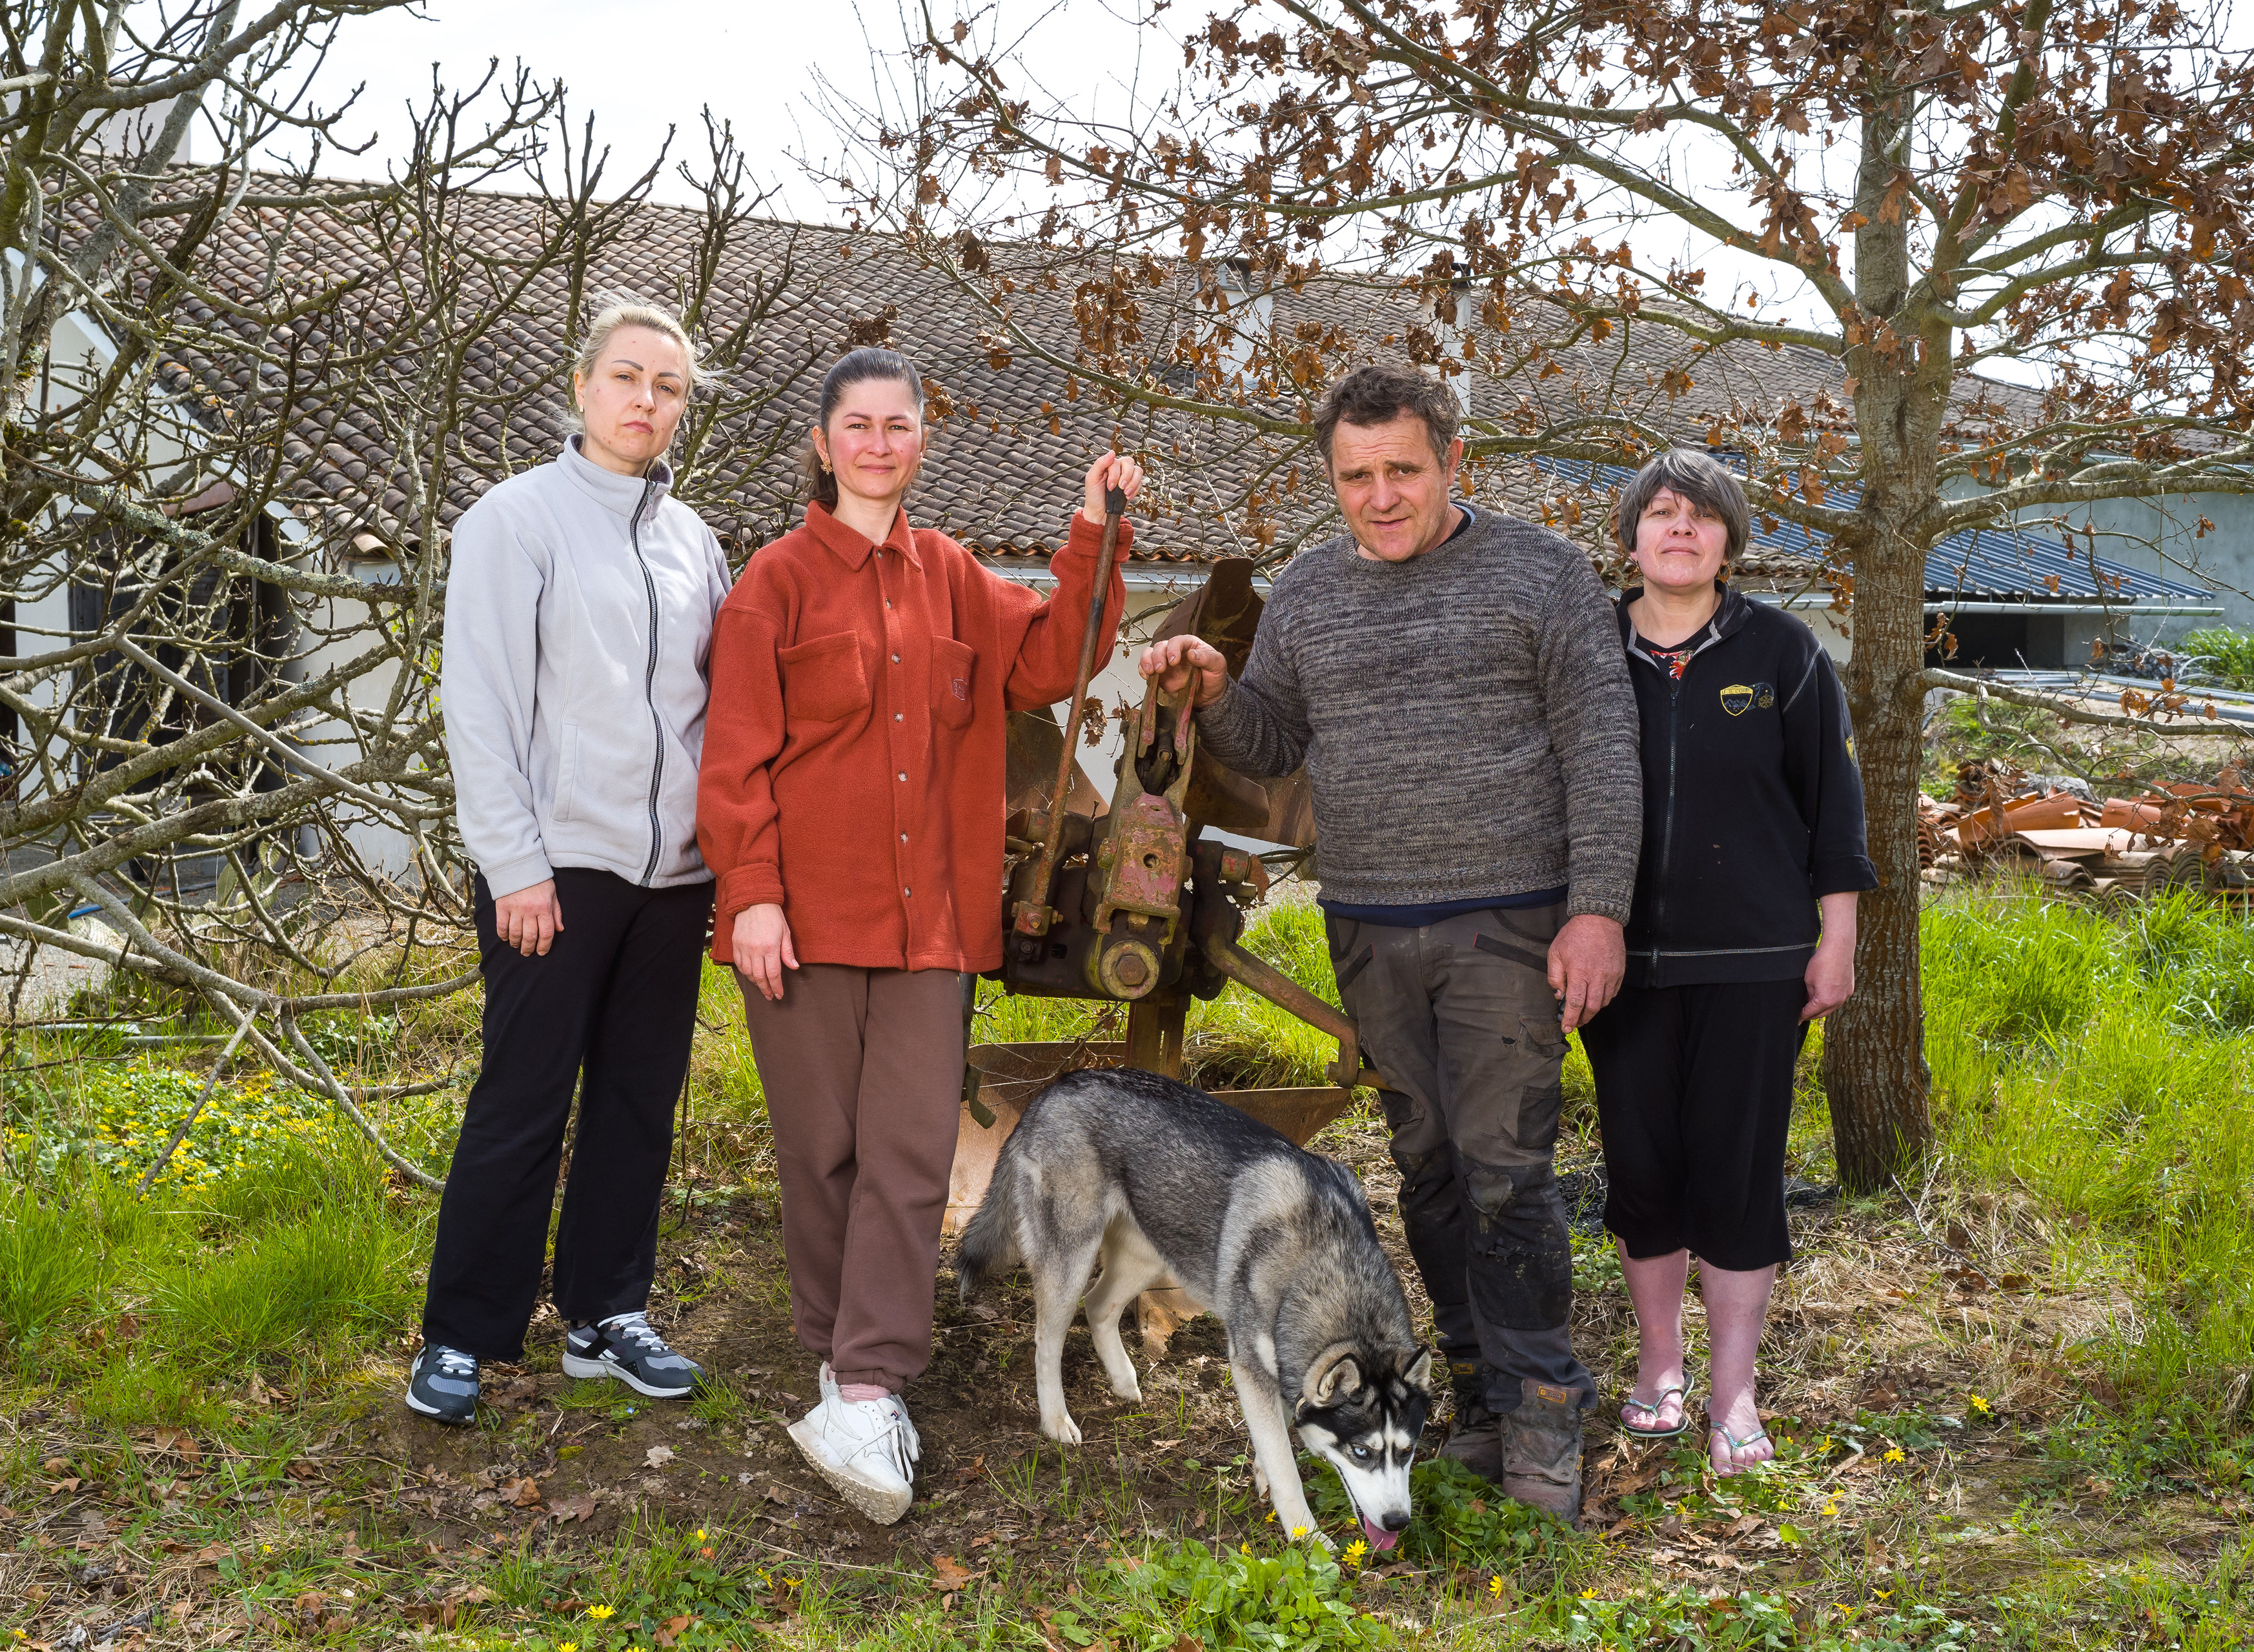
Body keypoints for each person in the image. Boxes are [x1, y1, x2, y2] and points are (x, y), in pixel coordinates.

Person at [1135, 363, 1640, 1519]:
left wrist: (1598, 908)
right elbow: (1268, 745)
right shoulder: (1307, 594)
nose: (1380, 495)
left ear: (1453, 462)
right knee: (1427, 1168)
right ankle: (1473, 1399)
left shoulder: (1543, 574)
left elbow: (1605, 752)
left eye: (1402, 470)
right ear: (1333, 479)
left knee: (1507, 1171)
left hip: (1510, 922)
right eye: (1356, 477)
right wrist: (1214, 687)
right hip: (1368, 922)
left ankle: (1544, 1417)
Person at [696, 347, 1140, 1524]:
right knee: (821, 1152)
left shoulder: (953, 577)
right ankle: (833, 1349)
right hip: (800, 918)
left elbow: (1058, 653)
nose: (880, 443)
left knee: (904, 1154)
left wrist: (1093, 532)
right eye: (860, 425)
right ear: (825, 440)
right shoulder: (774, 584)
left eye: (900, 425)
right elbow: (734, 754)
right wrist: (751, 893)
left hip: (933, 924)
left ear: (921, 442)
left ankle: (870, 1378)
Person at [411, 300, 729, 1426]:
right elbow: (480, 705)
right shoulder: (516, 520)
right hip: (557, 869)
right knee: (524, 1099)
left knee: (641, 1102)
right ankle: (462, 1333)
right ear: (583, 384)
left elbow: (716, 716)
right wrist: (514, 865)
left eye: (671, 387)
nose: (648, 401)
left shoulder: (695, 545)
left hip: (673, 880)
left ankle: (605, 1316)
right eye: (629, 378)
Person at [1579, 448, 1874, 1476]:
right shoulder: (1589, 650)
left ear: (1728, 542)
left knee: (1739, 1175)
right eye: (1659, 513)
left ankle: (1731, 1388)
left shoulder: (1784, 652)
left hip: (1757, 961)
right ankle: (1661, 1364)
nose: (1678, 528)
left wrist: (1835, 938)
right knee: (1645, 1168)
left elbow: (1835, 815)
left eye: (1700, 515)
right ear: (1630, 540)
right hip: (1621, 962)